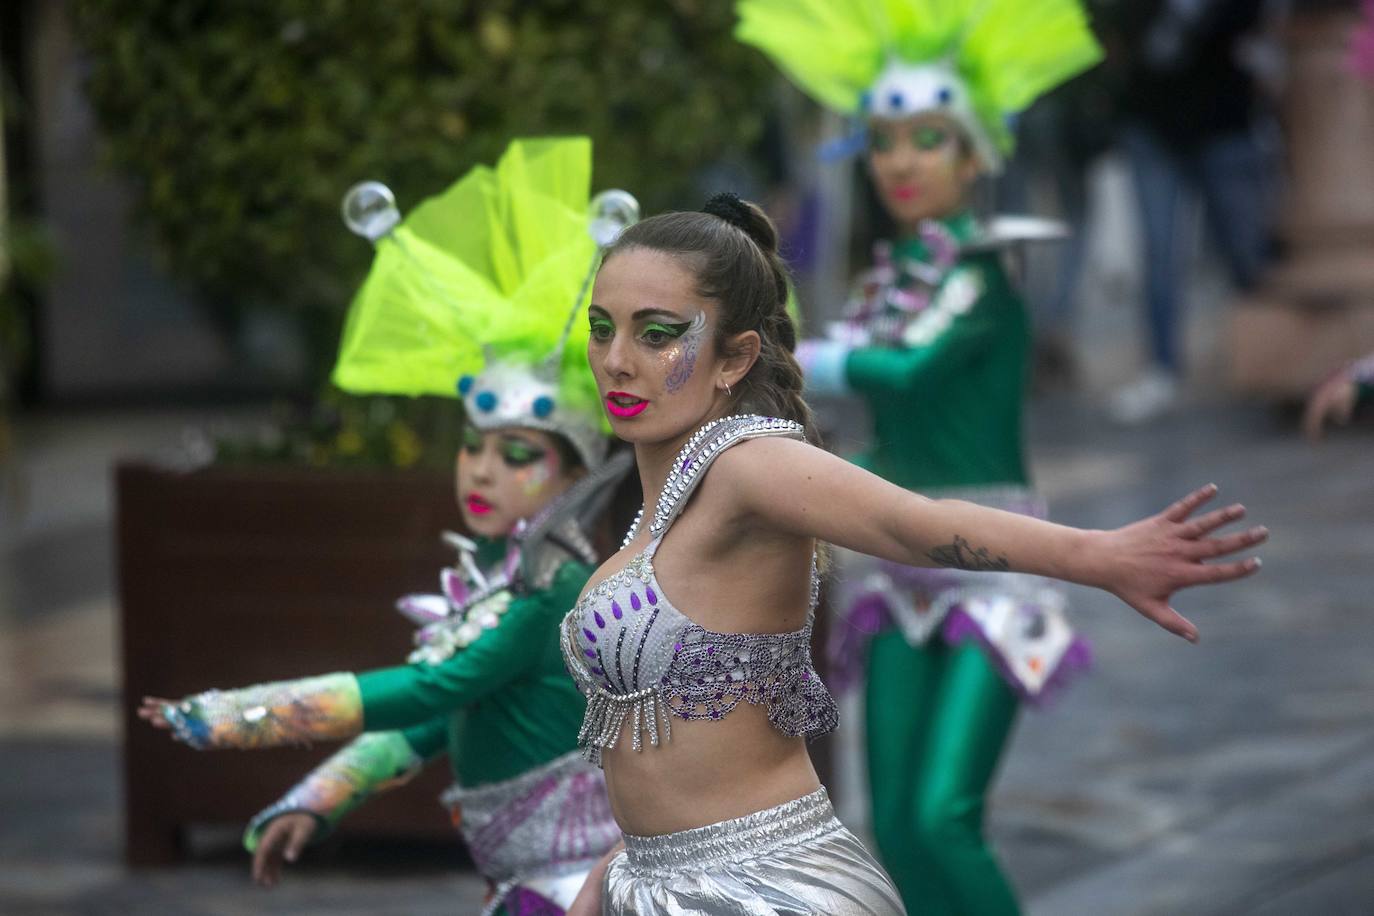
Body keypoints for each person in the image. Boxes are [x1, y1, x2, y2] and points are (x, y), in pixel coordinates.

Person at [561, 192, 1265, 915]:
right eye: (601, 328)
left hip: (763, 890)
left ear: (735, 357)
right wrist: (620, 869)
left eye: (657, 334)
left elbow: (911, 524)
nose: (616, 361)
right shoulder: (660, 504)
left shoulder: (746, 463)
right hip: (662, 885)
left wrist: (1098, 555)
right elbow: (681, 753)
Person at [139, 138, 633, 916]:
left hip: (576, 890)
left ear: (574, 475)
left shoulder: (554, 584)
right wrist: (317, 797)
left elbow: (431, 688)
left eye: (516, 455)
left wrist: (236, 718)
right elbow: (437, 720)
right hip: (524, 885)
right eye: (472, 446)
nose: (480, 469)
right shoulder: (507, 572)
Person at [735, 1, 1102, 910]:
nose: (901, 160)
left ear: (974, 157)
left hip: (990, 561)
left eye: (929, 138)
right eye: (886, 139)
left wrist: (809, 355)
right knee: (891, 822)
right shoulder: (885, 279)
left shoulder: (980, 273)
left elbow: (910, 369)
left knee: (943, 814)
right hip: (895, 566)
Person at [1304, 352, 1374, 441]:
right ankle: (1314, 429)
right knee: (1331, 394)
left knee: (1336, 392)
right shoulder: (1358, 371)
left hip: (1358, 384)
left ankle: (1315, 428)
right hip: (1358, 383)